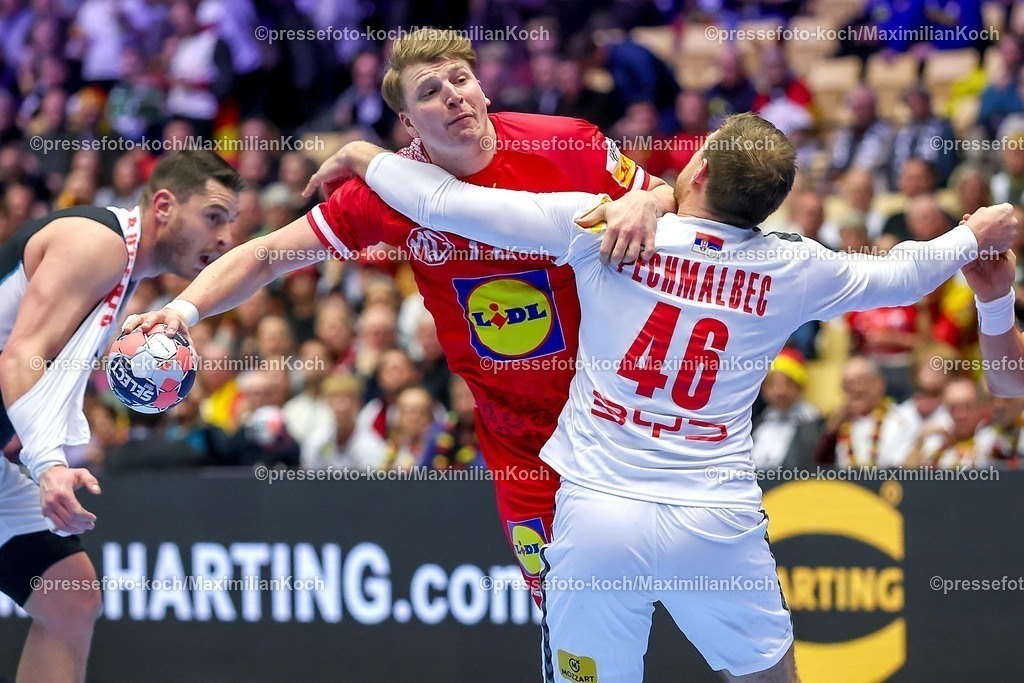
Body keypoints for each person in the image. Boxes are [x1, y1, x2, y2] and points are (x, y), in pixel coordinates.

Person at [328, 114, 1016, 681]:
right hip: (714, 518)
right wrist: (972, 234)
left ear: (700, 171)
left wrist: (364, 152)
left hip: (598, 513)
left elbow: (442, 203)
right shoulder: (793, 266)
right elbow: (903, 274)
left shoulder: (603, 230)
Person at [123, 28, 674, 602]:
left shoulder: (565, 143)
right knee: (567, 610)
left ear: (484, 89)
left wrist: (647, 200)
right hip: (517, 440)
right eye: (431, 90)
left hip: (613, 411)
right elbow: (264, 256)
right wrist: (183, 309)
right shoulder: (385, 193)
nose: (454, 95)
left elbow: (667, 197)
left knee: (677, 597)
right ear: (408, 124)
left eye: (461, 80)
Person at [0, 150, 243, 682]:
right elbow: (20, 355)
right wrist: (48, 464)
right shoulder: (97, 244)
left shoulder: (124, 271)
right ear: (163, 206)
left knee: (71, 599)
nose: (226, 238)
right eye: (214, 216)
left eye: (232, 223)